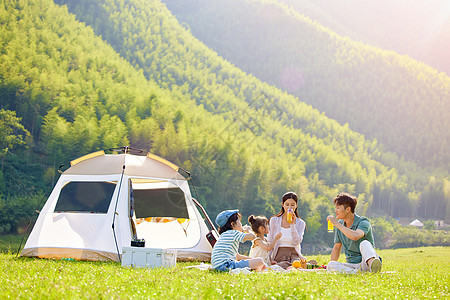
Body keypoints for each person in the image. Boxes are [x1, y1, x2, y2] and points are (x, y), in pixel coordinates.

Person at [327, 192, 382, 273]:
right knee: (331, 265)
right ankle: (356, 273)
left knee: (365, 243)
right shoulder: (340, 225)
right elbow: (337, 247)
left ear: (348, 209)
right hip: (351, 265)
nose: (335, 211)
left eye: (338, 208)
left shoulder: (363, 222)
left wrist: (336, 223)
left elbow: (355, 236)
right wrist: (332, 263)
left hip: (365, 263)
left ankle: (373, 266)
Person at [268, 192, 307, 269]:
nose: (290, 208)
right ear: (283, 205)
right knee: (281, 266)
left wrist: (292, 225)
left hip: (294, 254)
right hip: (279, 254)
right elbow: (270, 240)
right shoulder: (274, 220)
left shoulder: (300, 223)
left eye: (292, 205)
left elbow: (296, 241)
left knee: (297, 264)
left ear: (296, 205)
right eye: (287, 204)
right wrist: (269, 259)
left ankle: (293, 266)